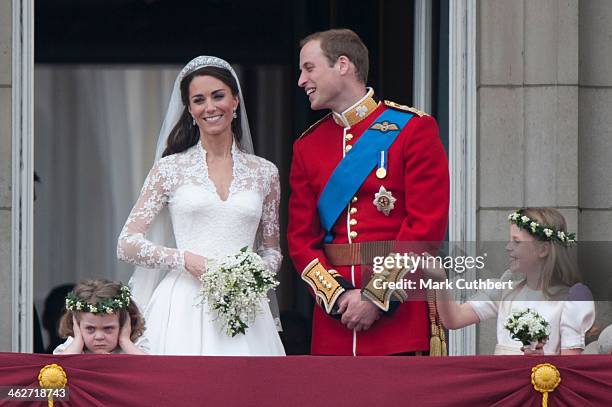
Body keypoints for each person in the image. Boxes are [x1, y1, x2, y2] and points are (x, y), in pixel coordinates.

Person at [288, 29, 450, 356]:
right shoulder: (307, 146)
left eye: (309, 68)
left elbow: (424, 227)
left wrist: (375, 297)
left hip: (398, 319)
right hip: (336, 320)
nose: (301, 80)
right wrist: (338, 297)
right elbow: (301, 240)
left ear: (343, 65)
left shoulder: (413, 129)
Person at [117, 56, 285, 356]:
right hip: (182, 304)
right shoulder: (170, 169)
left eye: (218, 96)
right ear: (190, 110)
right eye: (199, 100)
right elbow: (127, 244)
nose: (210, 107)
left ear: (235, 101)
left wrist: (251, 272)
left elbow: (271, 250)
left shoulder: (265, 173)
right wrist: (185, 260)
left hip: (245, 307)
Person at [423, 207, 595, 355]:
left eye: (517, 241)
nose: (508, 247)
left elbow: (570, 368)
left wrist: (541, 360)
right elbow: (454, 319)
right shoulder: (506, 290)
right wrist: (440, 280)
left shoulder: (569, 300)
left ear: (543, 249)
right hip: (504, 386)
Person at [54, 279, 148, 354]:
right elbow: (59, 368)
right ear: (77, 326)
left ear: (124, 325)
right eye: (90, 328)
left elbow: (150, 368)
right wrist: (78, 341)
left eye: (108, 328)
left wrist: (124, 341)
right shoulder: (73, 347)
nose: (99, 337)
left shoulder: (134, 346)